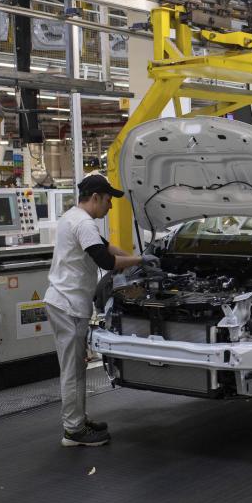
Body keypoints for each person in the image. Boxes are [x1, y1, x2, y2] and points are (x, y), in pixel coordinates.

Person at [44, 174, 150, 447]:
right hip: (67, 304)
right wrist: (140, 261)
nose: (110, 207)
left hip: (63, 302)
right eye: (108, 200)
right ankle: (74, 431)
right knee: (72, 371)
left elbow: (105, 246)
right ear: (95, 198)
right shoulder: (83, 223)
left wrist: (133, 258)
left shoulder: (73, 217)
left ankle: (77, 419)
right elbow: (103, 259)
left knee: (75, 367)